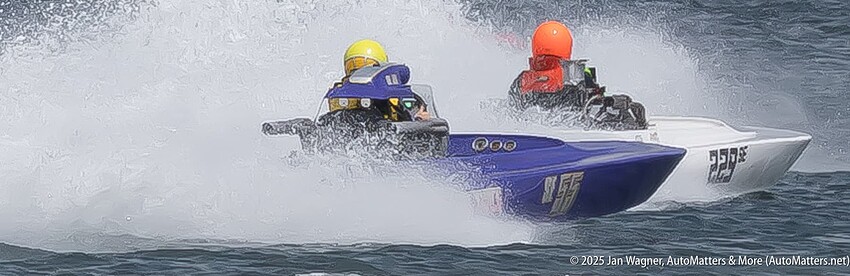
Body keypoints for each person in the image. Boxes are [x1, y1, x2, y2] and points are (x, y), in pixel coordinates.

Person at [507, 21, 646, 129]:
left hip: (537, 132)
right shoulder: (581, 73)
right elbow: (596, 104)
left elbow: (513, 109)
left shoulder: (521, 81)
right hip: (576, 133)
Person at [330, 39, 431, 121]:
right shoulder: (339, 93)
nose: (359, 71)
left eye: (365, 66)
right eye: (352, 66)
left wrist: (419, 117)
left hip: (391, 132)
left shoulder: (396, 93)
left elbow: (419, 114)